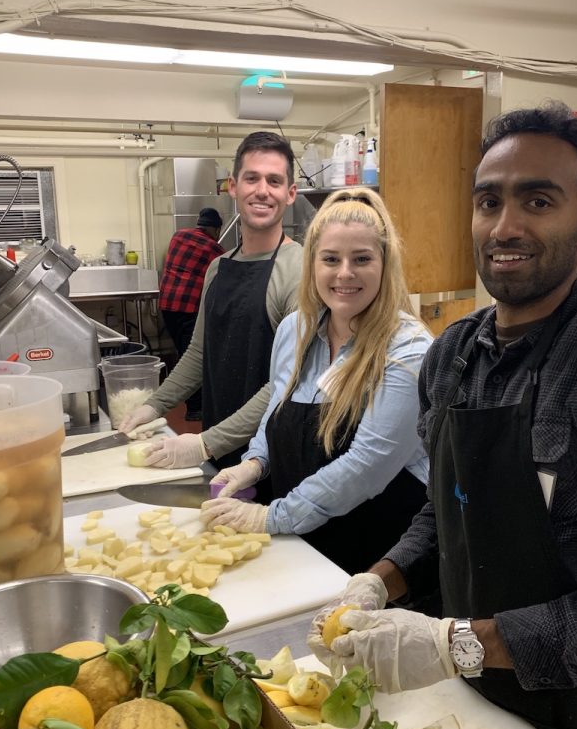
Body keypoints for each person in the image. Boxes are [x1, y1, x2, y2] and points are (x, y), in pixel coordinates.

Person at [310, 103, 577, 729]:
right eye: (489, 201)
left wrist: (464, 645)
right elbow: (445, 504)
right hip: (464, 698)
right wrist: (378, 583)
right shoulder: (453, 354)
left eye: (538, 200)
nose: (505, 227)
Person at [200, 188, 432, 574]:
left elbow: (366, 465)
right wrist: (254, 463)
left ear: (384, 264)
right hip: (305, 543)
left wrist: (269, 518)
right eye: (330, 259)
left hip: (379, 555)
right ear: (312, 265)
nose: (345, 273)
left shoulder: (409, 349)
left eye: (361, 259)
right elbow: (277, 408)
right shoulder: (296, 329)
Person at [118, 132, 303, 469]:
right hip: (219, 445)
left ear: (290, 193)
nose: (262, 190)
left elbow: (288, 381)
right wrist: (154, 406)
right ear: (232, 186)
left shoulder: (300, 270)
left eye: (274, 181)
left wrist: (206, 443)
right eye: (252, 178)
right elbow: (200, 353)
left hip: (273, 454)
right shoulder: (218, 267)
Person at [158, 207, 224, 421]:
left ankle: (187, 401)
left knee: (182, 351)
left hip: (167, 304)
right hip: (188, 308)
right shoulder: (214, 249)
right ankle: (195, 409)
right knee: (194, 356)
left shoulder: (178, 236)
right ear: (215, 229)